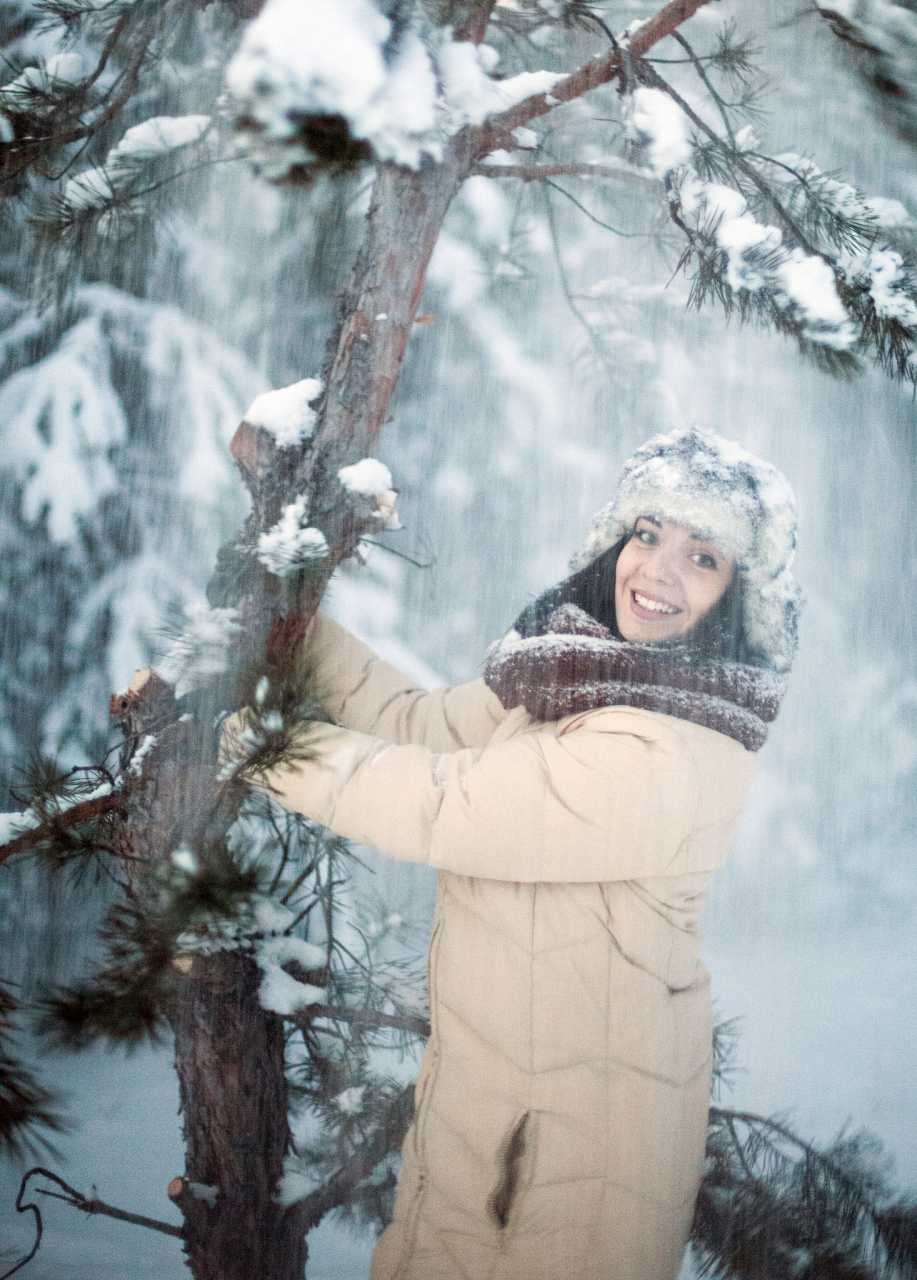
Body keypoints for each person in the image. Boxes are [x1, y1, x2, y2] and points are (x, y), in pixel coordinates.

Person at [243, 425, 801, 1280]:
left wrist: (268, 749)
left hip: (576, 1148)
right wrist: (291, 626)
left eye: (701, 556)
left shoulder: (672, 745)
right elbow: (418, 728)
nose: (654, 569)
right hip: (497, 1105)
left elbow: (444, 804)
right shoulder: (579, 680)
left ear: (736, 596)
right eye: (646, 534)